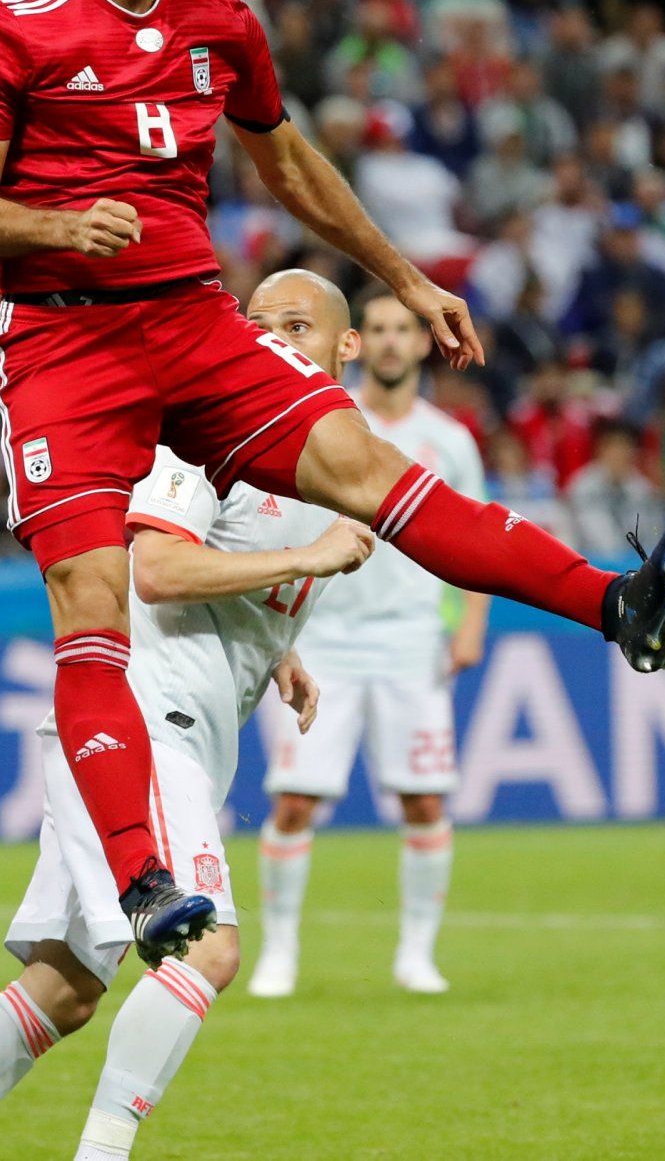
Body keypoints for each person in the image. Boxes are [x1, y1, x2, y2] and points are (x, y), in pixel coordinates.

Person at [0, 0, 665, 958]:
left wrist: (402, 276)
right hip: (64, 346)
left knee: (373, 467)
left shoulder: (219, 22)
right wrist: (62, 228)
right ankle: (145, 883)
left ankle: (616, 604)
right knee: (90, 611)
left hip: (195, 321)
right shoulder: (10, 25)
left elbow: (288, 166)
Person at [0, 270, 369, 1161]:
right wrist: (312, 556)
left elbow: (216, 567)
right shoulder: (216, 432)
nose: (275, 337)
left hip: (174, 726)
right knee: (206, 949)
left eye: (297, 323)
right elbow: (156, 569)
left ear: (344, 346)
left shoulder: (307, 447)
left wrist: (275, 646)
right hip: (140, 720)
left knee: (65, 988)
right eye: (260, 323)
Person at [251, 288, 487, 997]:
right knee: (295, 800)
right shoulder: (321, 426)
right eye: (377, 328)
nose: (389, 341)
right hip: (320, 637)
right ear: (356, 341)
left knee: (423, 800)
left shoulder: (450, 441)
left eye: (402, 330)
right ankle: (280, 953)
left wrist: (471, 623)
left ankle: (416, 954)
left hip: (413, 640)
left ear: (421, 344)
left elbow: (477, 539)